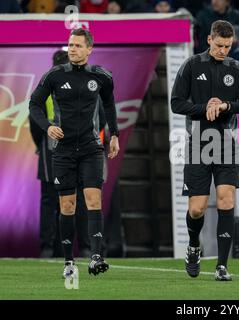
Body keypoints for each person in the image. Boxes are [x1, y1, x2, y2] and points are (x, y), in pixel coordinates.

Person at [29, 28, 120, 278]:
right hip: (64, 150)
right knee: (67, 206)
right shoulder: (55, 75)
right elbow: (34, 104)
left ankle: (96, 256)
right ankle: (69, 262)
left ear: (90, 49)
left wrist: (114, 135)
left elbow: (110, 105)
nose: (72, 49)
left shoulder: (101, 76)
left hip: (91, 148)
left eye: (78, 45)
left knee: (93, 200)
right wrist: (48, 127)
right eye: (70, 45)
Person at [171, 20, 239, 281]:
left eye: (228, 46)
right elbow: (176, 103)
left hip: (227, 143)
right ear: (209, 40)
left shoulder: (237, 68)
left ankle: (222, 265)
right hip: (198, 143)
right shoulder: (192, 65)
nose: (223, 50)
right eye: (219, 45)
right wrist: (204, 107)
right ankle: (194, 246)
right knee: (197, 209)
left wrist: (225, 106)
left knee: (226, 200)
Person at [29, 49, 92, 259]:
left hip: (61, 145)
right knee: (63, 199)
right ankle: (69, 247)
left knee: (59, 200)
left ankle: (57, 248)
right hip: (61, 145)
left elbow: (35, 119)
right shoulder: (52, 83)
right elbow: (35, 114)